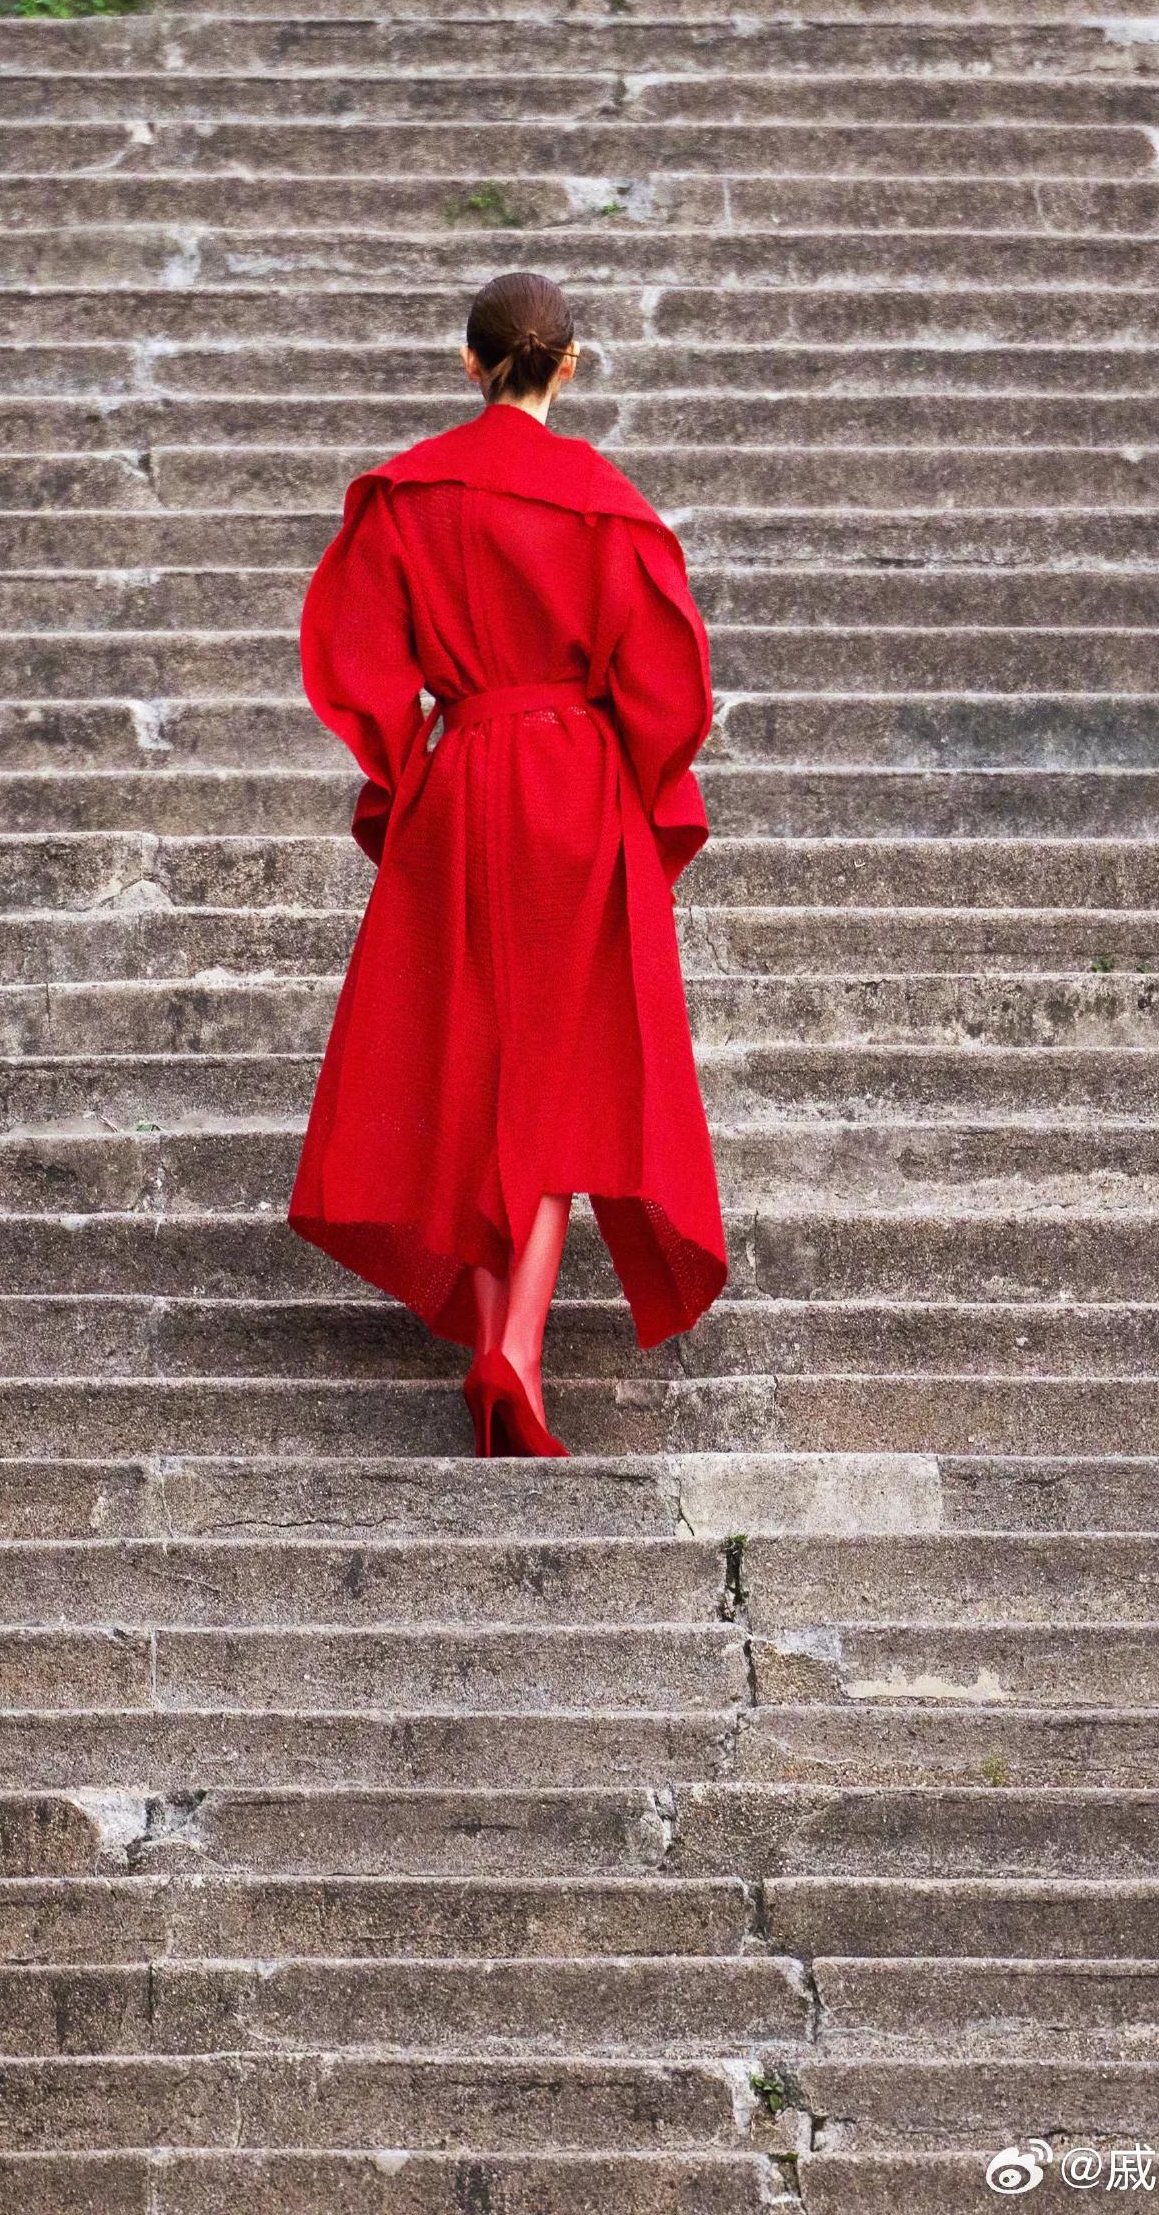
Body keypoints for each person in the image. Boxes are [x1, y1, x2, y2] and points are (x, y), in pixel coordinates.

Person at [288, 271, 726, 1457]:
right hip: (576, 788)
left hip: (463, 770)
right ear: (568, 365)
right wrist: (636, 780)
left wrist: (401, 769)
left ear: (468, 362)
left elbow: (355, 653)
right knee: (550, 1075)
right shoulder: (607, 507)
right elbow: (668, 687)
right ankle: (514, 1348)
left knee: (466, 1059)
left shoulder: (406, 495)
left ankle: (496, 1337)